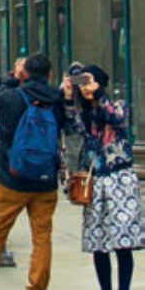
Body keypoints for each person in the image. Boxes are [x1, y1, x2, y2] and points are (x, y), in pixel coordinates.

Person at [0, 52, 69, 290]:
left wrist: (10, 82)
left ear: (24, 73)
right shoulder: (57, 100)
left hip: (11, 178)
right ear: (50, 74)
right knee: (42, 237)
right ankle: (37, 286)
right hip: (45, 181)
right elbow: (69, 125)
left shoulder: (11, 97)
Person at [63, 64, 142, 290]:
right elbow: (72, 128)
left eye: (90, 82)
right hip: (95, 180)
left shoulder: (117, 105)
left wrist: (97, 93)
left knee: (123, 241)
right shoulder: (83, 112)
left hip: (120, 179)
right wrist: (69, 98)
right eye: (83, 84)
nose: (86, 88)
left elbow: (116, 118)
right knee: (99, 242)